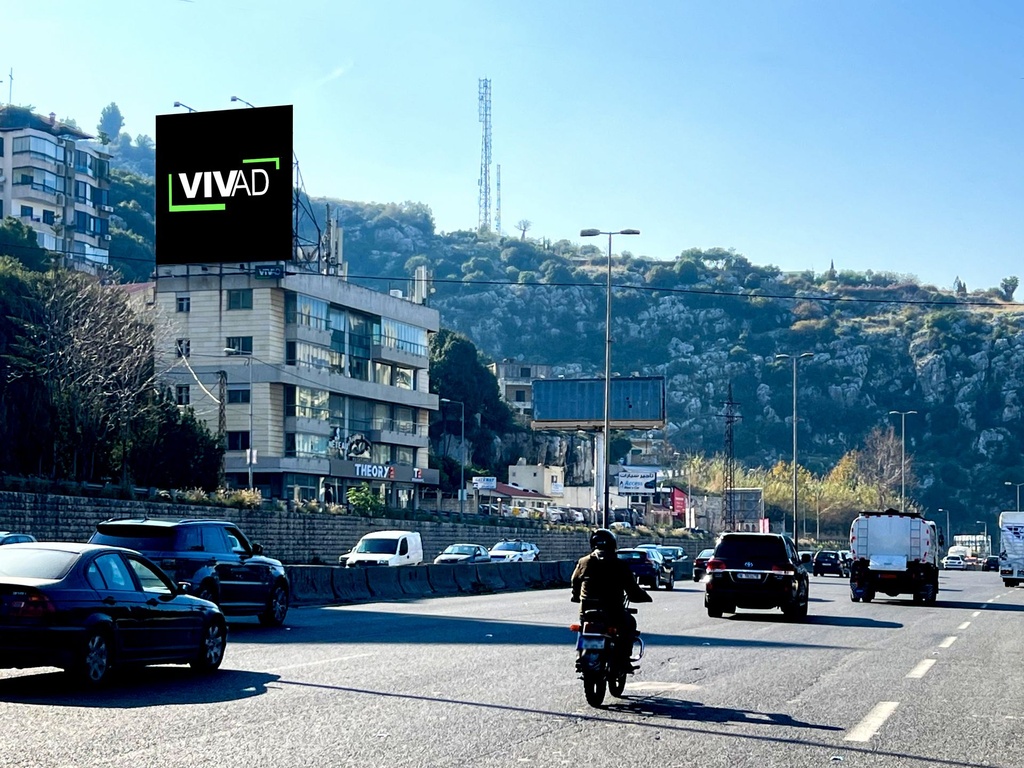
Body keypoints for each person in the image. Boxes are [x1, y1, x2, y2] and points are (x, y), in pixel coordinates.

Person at [571, 528, 652, 669]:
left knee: (584, 627)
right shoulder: (620, 565)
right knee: (629, 623)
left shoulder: (583, 562)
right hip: (613, 611)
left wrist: (576, 595)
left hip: (587, 609)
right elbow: (632, 588)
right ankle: (624, 660)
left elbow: (575, 580)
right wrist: (642, 596)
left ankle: (580, 657)